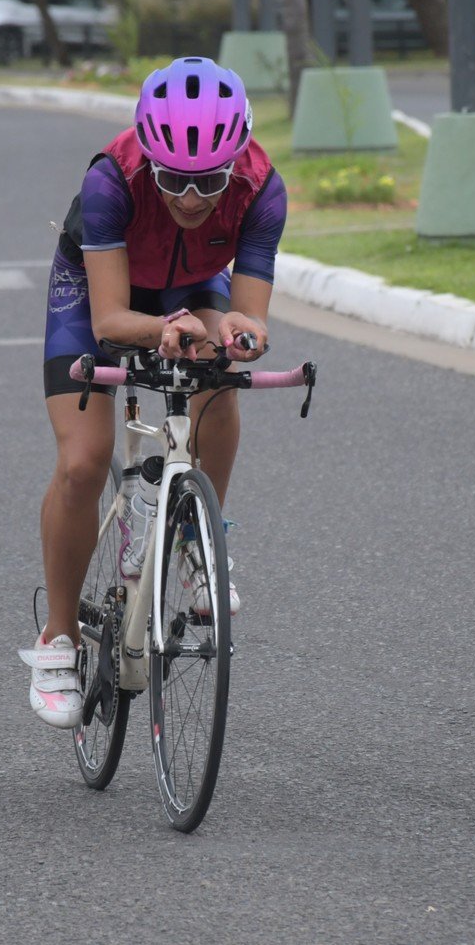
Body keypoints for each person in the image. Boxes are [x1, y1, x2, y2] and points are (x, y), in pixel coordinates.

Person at [24, 56, 288, 728]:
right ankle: (57, 639)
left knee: (220, 385)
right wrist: (168, 327)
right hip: (100, 293)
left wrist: (237, 331)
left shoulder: (263, 190)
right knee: (83, 463)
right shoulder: (111, 180)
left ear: (239, 159)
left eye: (209, 179)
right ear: (147, 154)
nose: (192, 198)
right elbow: (112, 321)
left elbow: (248, 318)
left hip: (189, 290)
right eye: (173, 179)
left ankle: (199, 544)